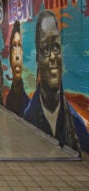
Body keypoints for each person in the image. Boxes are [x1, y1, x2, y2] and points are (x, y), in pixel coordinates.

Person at [23, 10, 80, 151]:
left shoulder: (76, 124)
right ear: (37, 58)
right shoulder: (28, 117)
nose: (53, 57)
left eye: (56, 47)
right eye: (46, 50)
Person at [5, 20, 29, 117]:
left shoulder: (29, 105)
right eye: (14, 46)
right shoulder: (8, 100)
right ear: (10, 57)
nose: (17, 56)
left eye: (20, 46)